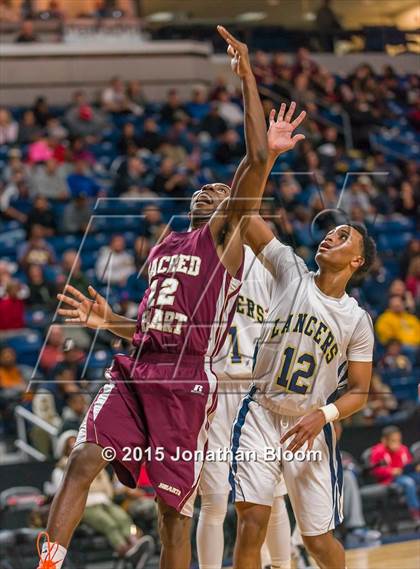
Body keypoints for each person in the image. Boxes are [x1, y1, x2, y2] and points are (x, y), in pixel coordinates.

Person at [36, 26, 306, 569]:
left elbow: (253, 158)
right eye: (205, 188)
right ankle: (48, 562)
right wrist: (110, 319)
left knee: (173, 518)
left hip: (187, 384)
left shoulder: (224, 242)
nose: (211, 189)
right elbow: (152, 327)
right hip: (137, 369)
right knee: (85, 455)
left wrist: (248, 78)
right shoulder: (165, 246)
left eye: (224, 191)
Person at [229, 131, 376, 568]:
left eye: (343, 235)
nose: (331, 236)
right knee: (251, 521)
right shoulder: (289, 268)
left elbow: (359, 392)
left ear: (357, 261)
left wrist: (324, 415)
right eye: (330, 233)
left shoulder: (357, 320)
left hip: (310, 422)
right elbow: (243, 211)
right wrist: (267, 156)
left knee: (317, 541)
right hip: (260, 410)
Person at [197, 247, 291, 569]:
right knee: (213, 500)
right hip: (215, 390)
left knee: (273, 495)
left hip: (256, 388)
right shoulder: (197, 258)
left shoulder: (265, 263)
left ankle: (281, 564)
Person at [50, 431, 155, 567]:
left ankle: (136, 546)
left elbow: (108, 490)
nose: (73, 447)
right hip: (84, 505)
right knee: (108, 523)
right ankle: (126, 551)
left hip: (104, 501)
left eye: (75, 443)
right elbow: (67, 493)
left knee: (122, 518)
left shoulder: (94, 465)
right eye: (69, 445)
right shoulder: (59, 470)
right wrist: (91, 485)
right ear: (63, 449)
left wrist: (87, 485)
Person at [370, 425, 420, 522]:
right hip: (390, 479)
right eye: (393, 441)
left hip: (405, 474)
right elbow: (375, 471)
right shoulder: (378, 452)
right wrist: (391, 471)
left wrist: (415, 467)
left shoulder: (403, 449)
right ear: (384, 441)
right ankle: (415, 512)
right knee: (409, 482)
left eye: (398, 440)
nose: (397, 444)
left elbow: (408, 463)